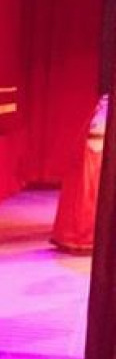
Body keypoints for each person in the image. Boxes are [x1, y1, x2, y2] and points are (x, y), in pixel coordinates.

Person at [51, 94, 109, 254]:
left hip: (96, 150)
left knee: (89, 194)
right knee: (87, 194)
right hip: (93, 152)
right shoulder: (102, 104)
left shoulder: (103, 105)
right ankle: (82, 236)